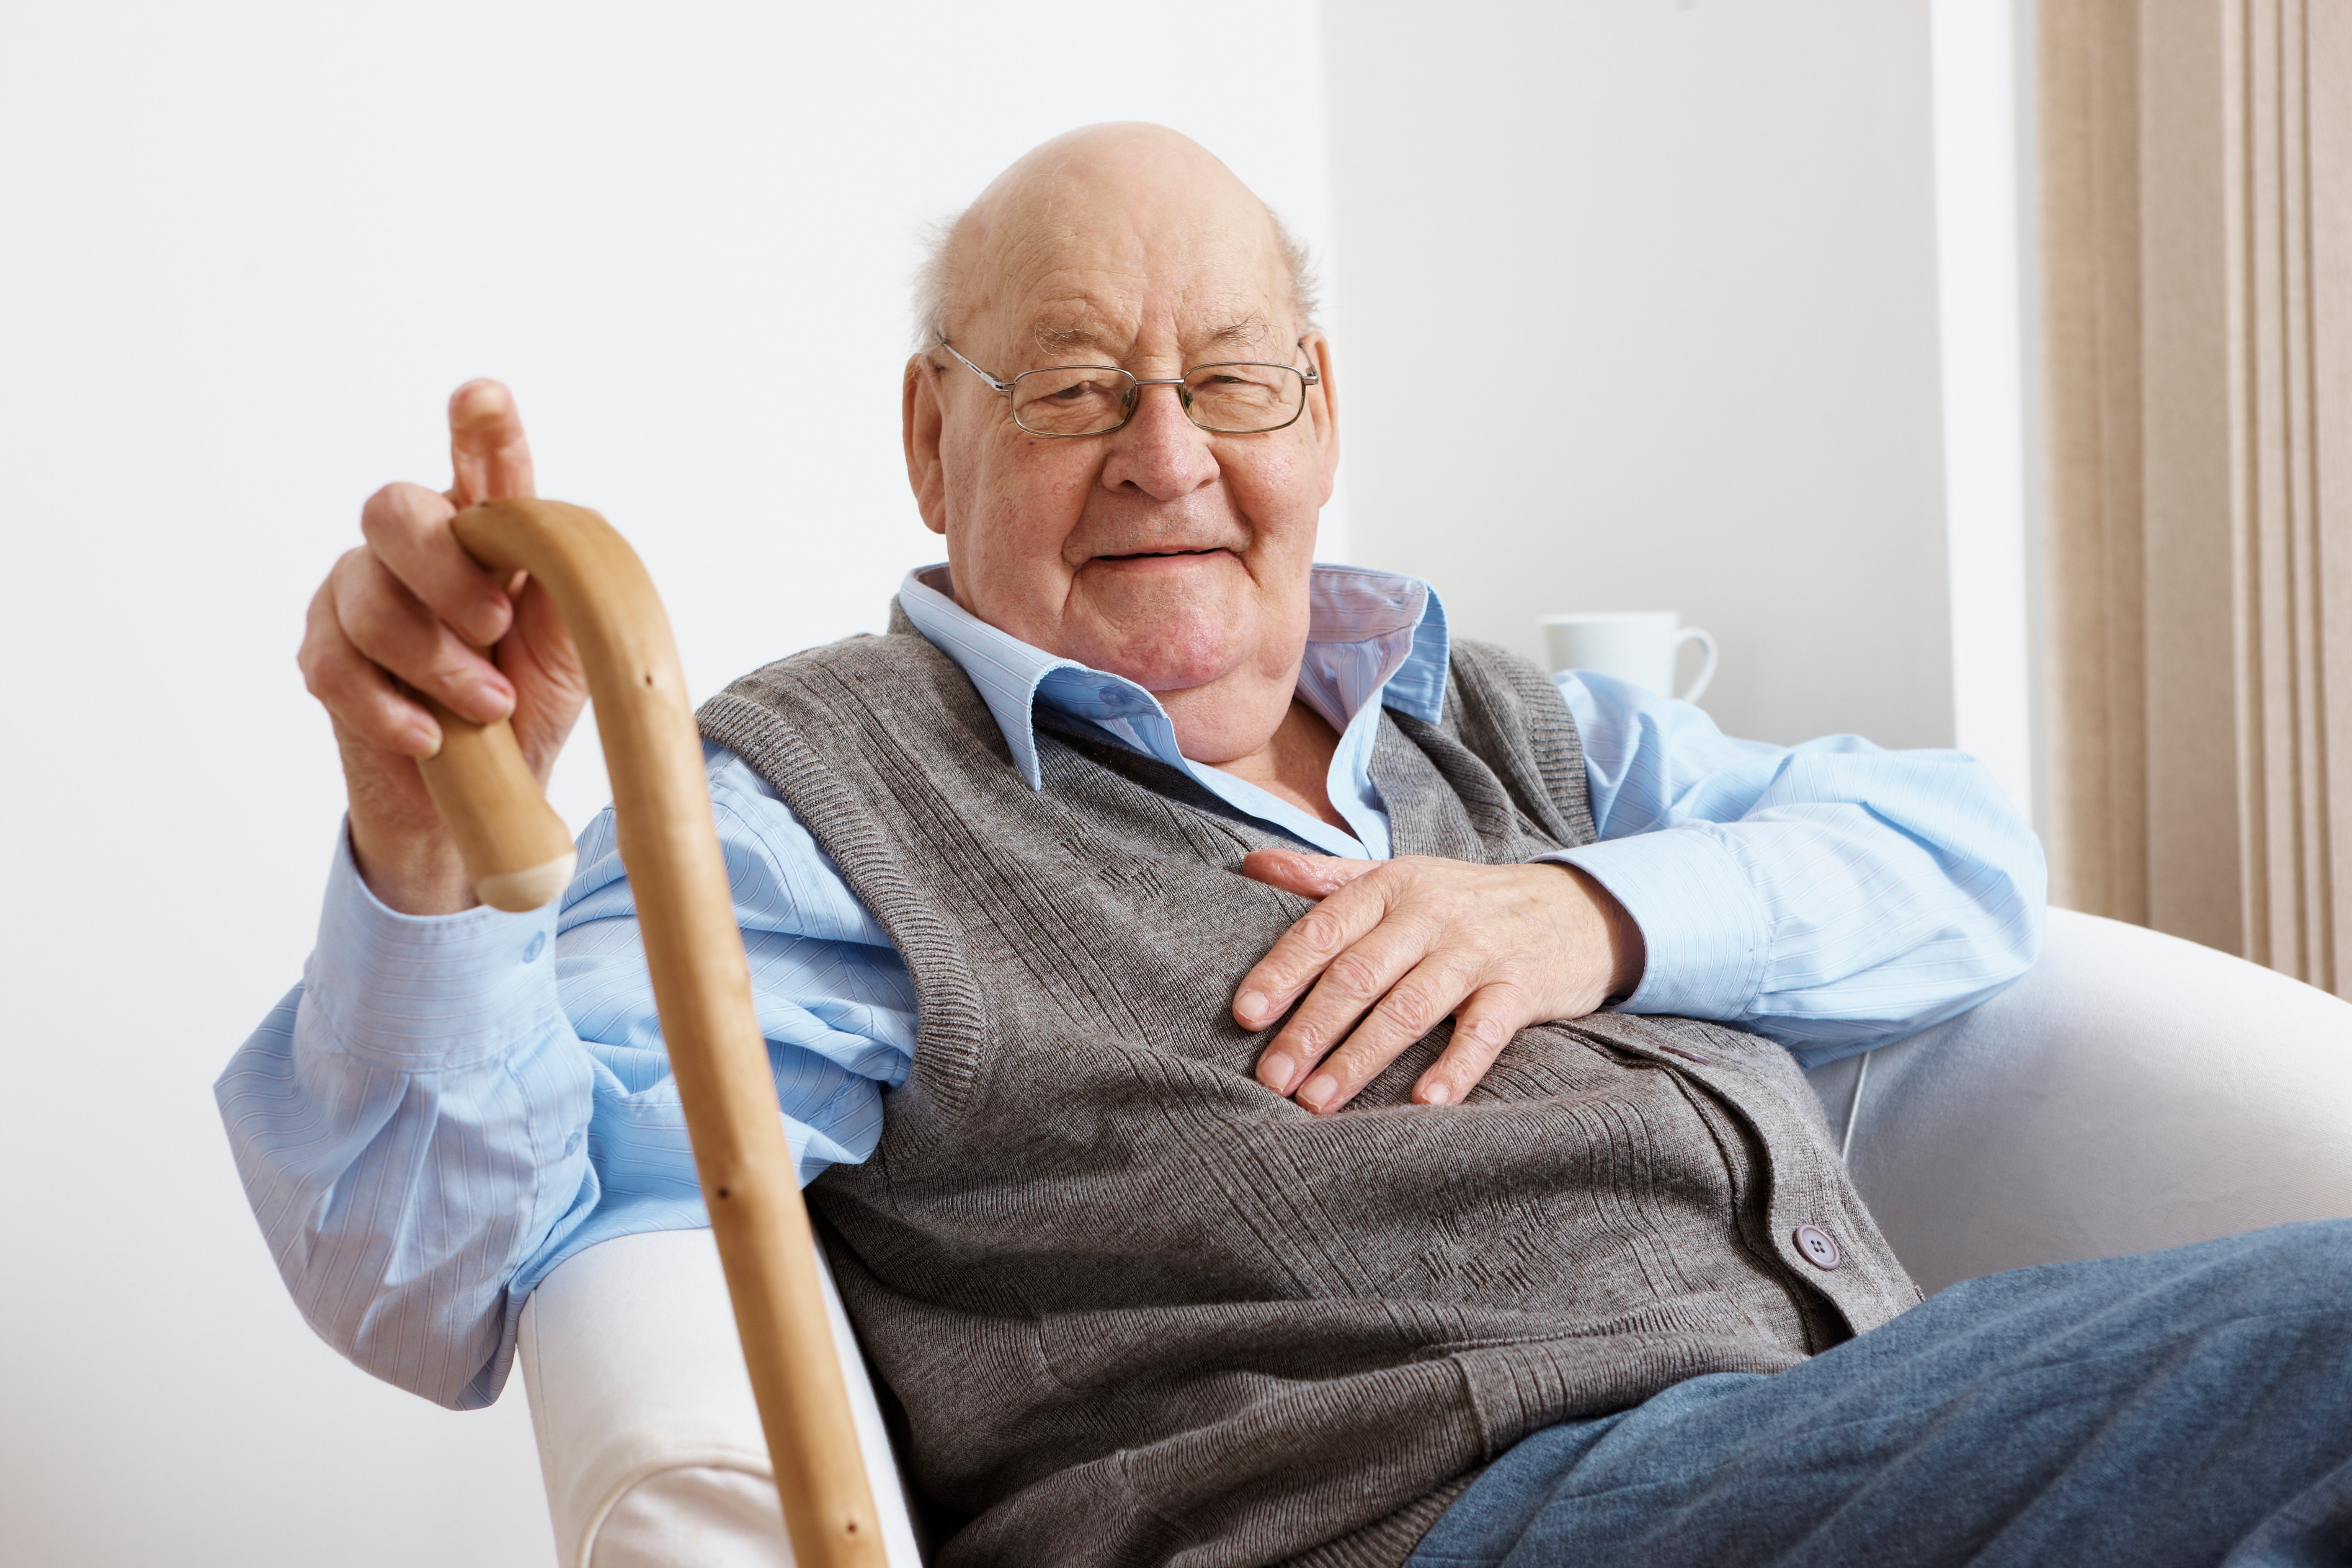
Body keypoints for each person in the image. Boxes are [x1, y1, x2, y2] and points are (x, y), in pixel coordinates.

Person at [219, 125, 2352, 1566]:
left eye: (1231, 379)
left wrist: (1591, 912)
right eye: (1071, 389)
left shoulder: (1493, 715)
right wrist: (429, 854)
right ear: (929, 438)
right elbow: (449, 1273)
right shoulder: (806, 807)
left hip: (1837, 1440)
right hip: (1439, 1518)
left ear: (1318, 410)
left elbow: (1958, 857)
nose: (1169, 457)